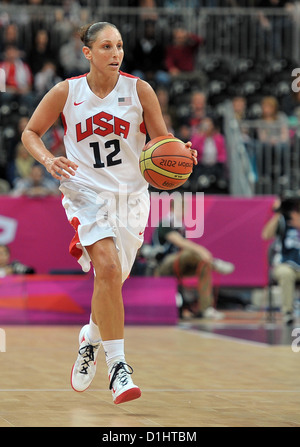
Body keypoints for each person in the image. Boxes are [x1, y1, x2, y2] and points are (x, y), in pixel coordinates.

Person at [21, 21, 197, 404]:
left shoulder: (140, 90)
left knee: (111, 285)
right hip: (85, 193)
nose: (115, 53)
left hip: (131, 196)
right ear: (87, 52)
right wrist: (49, 160)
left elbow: (161, 141)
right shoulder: (67, 91)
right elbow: (30, 132)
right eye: (106, 46)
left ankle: (91, 338)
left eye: (119, 46)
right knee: (108, 269)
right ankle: (119, 368)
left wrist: (179, 155)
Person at [151, 199, 235, 319]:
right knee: (189, 253)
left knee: (203, 265)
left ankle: (206, 309)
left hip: (179, 263)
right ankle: (215, 264)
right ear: (172, 209)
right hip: (163, 264)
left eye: (184, 209)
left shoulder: (181, 227)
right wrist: (201, 250)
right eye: (180, 209)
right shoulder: (165, 223)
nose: (183, 212)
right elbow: (180, 242)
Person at [262, 196, 300, 325]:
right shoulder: (283, 220)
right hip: (286, 264)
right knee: (286, 273)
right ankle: (288, 313)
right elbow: (266, 235)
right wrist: (278, 212)